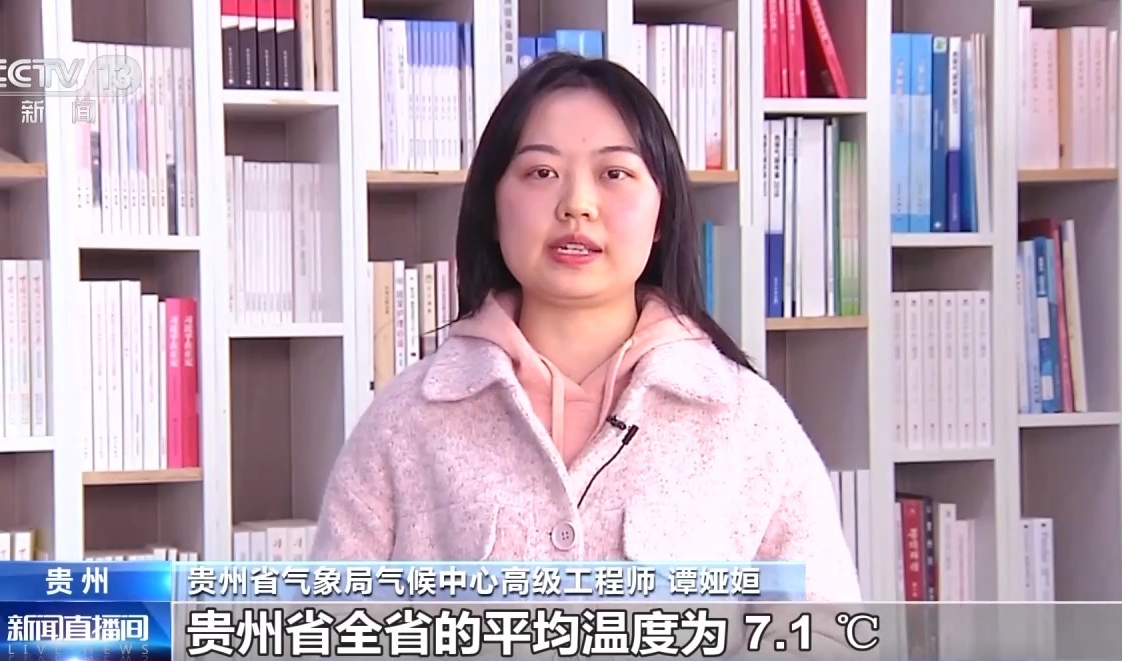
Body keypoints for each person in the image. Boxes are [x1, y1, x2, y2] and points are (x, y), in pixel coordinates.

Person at [312, 53, 861, 607]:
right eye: (541, 173)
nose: (577, 204)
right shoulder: (404, 421)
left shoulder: (747, 422)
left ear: (662, 214)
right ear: (493, 209)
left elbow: (826, 632)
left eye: (614, 174)